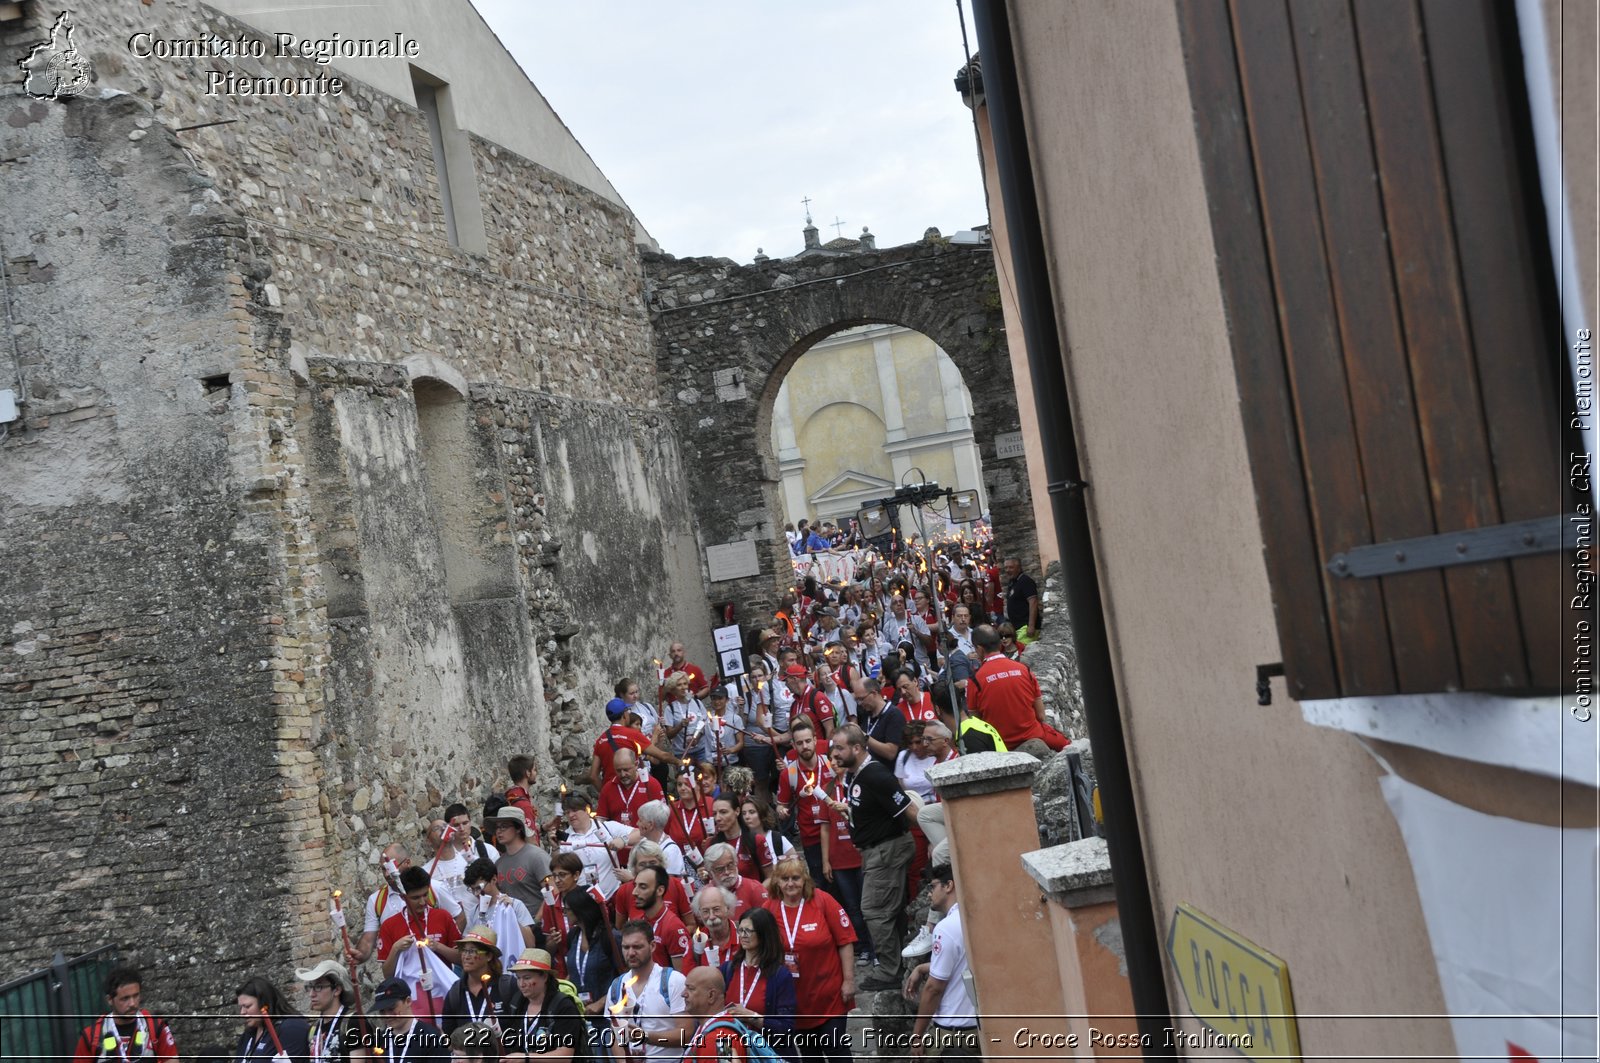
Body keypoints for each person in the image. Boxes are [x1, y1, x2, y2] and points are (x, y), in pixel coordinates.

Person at [830, 724, 917, 991]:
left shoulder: (876, 775)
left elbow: (908, 809)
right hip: (875, 850)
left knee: (875, 910)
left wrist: (940, 838)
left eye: (840, 748)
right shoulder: (857, 775)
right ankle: (899, 962)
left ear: (857, 748)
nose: (834, 753)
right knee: (888, 908)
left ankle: (890, 971)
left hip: (886, 849)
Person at [762, 856, 856, 1063]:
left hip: (829, 994)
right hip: (795, 1000)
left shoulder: (822, 900)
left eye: (795, 877)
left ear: (804, 879)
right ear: (776, 881)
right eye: (785, 878)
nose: (790, 883)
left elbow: (845, 940)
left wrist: (849, 980)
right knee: (810, 1056)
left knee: (837, 1050)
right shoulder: (769, 908)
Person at [903, 865, 978, 1062]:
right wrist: (922, 967)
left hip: (953, 1032)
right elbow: (962, 962)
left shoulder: (946, 928)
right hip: (977, 1027)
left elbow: (934, 988)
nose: (929, 893)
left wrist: (917, 1035)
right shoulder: (975, 918)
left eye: (933, 886)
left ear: (948, 886)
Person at [353, 843, 465, 963]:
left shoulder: (434, 888)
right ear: (403, 897)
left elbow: (459, 917)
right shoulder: (376, 900)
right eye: (383, 869)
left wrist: (441, 944)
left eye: (390, 868)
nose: (386, 874)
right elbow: (369, 939)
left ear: (407, 863)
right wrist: (359, 955)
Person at [965, 625, 1070, 753]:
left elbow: (976, 723)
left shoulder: (975, 680)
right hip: (1033, 735)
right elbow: (1041, 716)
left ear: (979, 649)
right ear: (999, 644)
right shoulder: (1023, 669)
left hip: (1001, 745)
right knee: (1070, 748)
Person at [604, 921, 692, 1063]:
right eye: (626, 947)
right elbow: (615, 1037)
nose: (631, 953)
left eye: (637, 947)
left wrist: (645, 1036)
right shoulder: (616, 986)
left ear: (652, 946)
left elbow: (685, 1034)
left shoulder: (673, 981)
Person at [720, 907, 797, 1057]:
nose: (743, 935)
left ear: (763, 934)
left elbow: (786, 1029)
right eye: (740, 930)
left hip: (765, 1054)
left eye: (748, 931)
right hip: (732, 1051)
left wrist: (752, 1017)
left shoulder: (780, 976)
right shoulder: (728, 969)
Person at [819, 746, 871, 966]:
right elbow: (825, 828)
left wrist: (848, 808)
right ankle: (863, 948)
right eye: (831, 759)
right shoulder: (825, 789)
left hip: (860, 854)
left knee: (867, 905)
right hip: (839, 859)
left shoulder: (857, 784)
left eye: (838, 757)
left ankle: (874, 947)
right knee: (851, 906)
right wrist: (825, 861)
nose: (836, 762)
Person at [72, 965, 178, 1063]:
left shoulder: (156, 1028)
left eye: (136, 996)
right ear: (110, 1000)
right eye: (125, 998)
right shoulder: (92, 1036)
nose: (132, 1003)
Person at [502, 949, 586, 1061]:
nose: (521, 984)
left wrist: (526, 1058)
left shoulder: (564, 1006)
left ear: (545, 977)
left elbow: (565, 1056)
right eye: (518, 978)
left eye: (527, 978)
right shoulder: (517, 1003)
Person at [439, 926, 518, 1038]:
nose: (466, 956)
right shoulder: (456, 991)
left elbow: (521, 1028)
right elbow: (449, 1036)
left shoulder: (507, 986)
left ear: (489, 956)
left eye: (472, 951)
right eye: (464, 950)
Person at [296, 958, 372, 1063]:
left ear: (337, 990)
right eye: (310, 987)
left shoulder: (353, 1023)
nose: (311, 994)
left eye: (319, 987)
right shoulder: (314, 1028)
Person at [680, 968, 762, 1063]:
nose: (683, 994)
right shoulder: (718, 1030)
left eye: (690, 988)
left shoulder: (719, 1039)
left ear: (711, 996)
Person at [561, 795, 632, 900]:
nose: (571, 815)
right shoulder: (565, 839)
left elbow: (640, 833)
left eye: (575, 810)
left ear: (587, 809)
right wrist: (554, 848)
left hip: (613, 897)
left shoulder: (607, 827)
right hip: (582, 901)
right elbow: (559, 869)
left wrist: (623, 840)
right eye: (567, 812)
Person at [463, 857, 537, 952]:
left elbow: (530, 944)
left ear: (494, 879)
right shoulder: (474, 911)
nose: (476, 893)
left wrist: (512, 915)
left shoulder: (515, 905)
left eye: (479, 888)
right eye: (472, 889)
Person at [628, 865, 692, 972]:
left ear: (660, 890)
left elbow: (682, 978)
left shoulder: (673, 927)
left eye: (643, 887)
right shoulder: (639, 921)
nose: (634, 892)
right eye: (635, 885)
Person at [491, 806, 552, 920]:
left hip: (536, 926)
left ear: (518, 828)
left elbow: (552, 891)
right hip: (511, 926)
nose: (499, 831)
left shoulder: (537, 856)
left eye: (504, 826)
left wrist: (537, 922)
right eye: (497, 827)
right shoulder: (499, 863)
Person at [369, 976, 448, 1063]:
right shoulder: (379, 1041)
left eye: (391, 1008)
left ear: (408, 1001)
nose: (387, 1015)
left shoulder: (431, 1038)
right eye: (382, 1011)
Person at [234, 975, 311, 1062]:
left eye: (247, 1006)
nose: (242, 1012)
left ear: (264, 1003)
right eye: (241, 1007)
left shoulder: (292, 1027)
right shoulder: (249, 1034)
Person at [597, 747, 666, 836]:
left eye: (626, 770)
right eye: (618, 771)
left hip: (645, 843)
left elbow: (662, 819)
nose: (622, 774)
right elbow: (601, 820)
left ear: (636, 764)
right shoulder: (608, 788)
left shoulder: (651, 784)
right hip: (617, 845)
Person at [706, 795, 773, 885]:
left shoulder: (756, 840)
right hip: (725, 897)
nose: (717, 818)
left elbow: (771, 877)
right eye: (714, 814)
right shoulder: (713, 844)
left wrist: (755, 894)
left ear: (737, 811)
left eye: (723, 812)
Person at [590, 699, 655, 789]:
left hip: (611, 790)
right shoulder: (633, 735)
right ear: (624, 714)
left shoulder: (600, 740)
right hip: (633, 788)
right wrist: (677, 762)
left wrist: (605, 793)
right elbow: (659, 755)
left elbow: (593, 776)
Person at [701, 842, 769, 919]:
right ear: (710, 873)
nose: (727, 872)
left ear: (736, 863)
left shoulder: (754, 889)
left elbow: (766, 924)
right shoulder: (705, 895)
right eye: (720, 869)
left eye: (730, 865)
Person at [854, 687, 906, 770]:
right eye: (857, 700)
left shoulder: (894, 714)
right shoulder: (865, 713)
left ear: (874, 693)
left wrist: (864, 737)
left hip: (886, 775)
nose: (860, 703)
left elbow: (890, 753)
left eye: (862, 699)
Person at [739, 795, 793, 872]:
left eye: (752, 812)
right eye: (744, 813)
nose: (747, 817)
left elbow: (795, 865)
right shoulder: (740, 840)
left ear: (762, 814)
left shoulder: (777, 839)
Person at [1002, 558, 1040, 639]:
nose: (1007, 570)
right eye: (1006, 567)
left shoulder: (1025, 581)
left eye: (1011, 567)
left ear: (1019, 568)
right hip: (1018, 629)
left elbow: (1033, 602)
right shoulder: (1013, 582)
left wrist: (1031, 626)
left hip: (1026, 629)